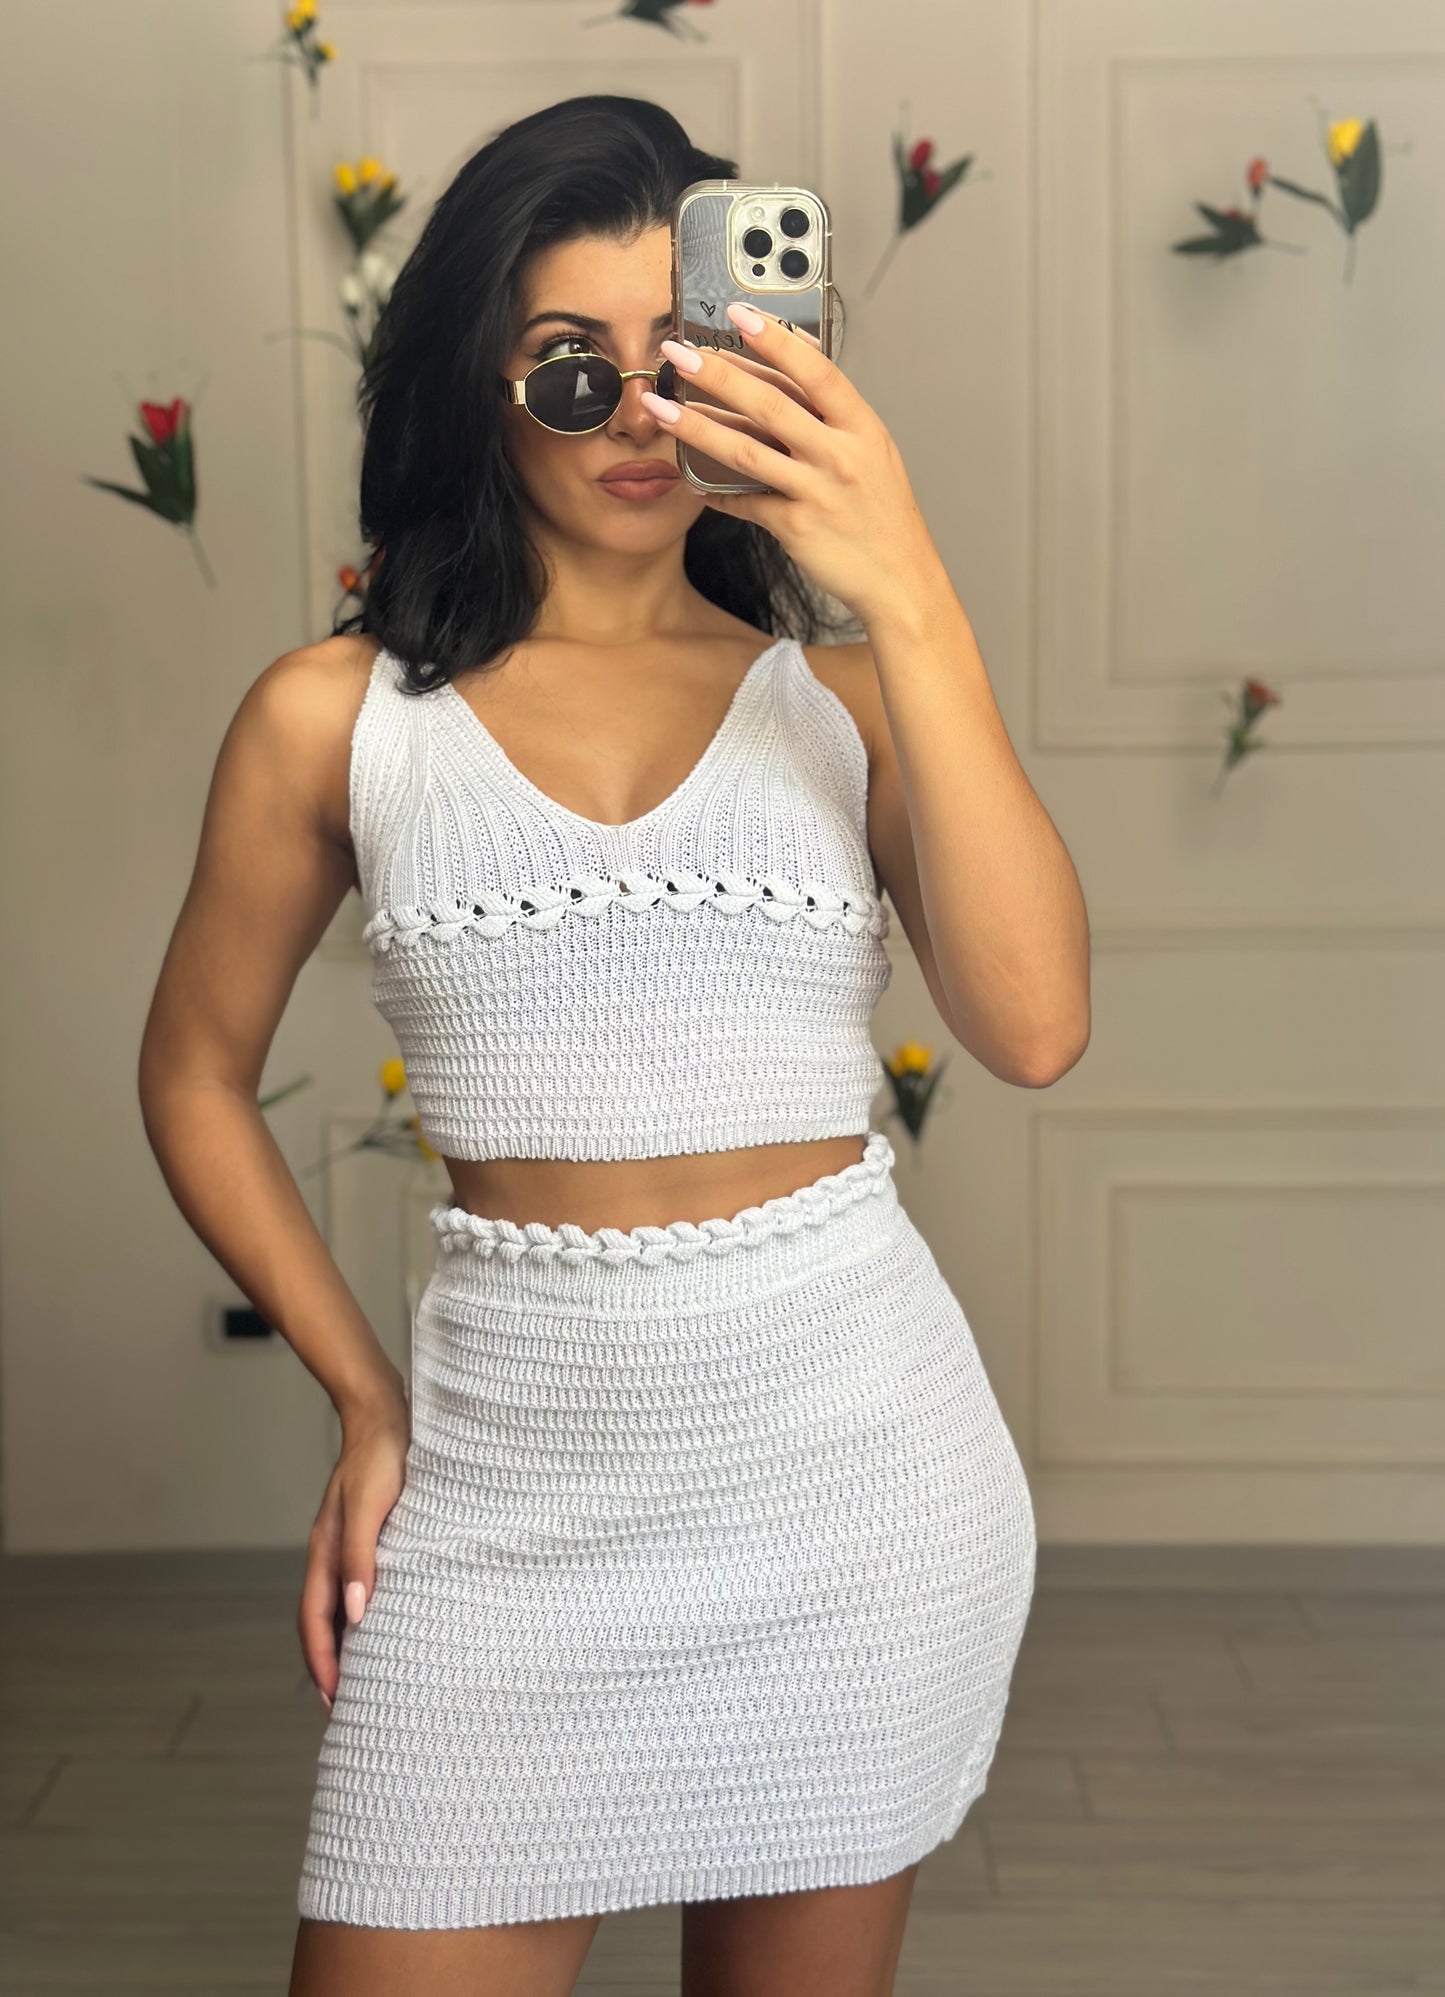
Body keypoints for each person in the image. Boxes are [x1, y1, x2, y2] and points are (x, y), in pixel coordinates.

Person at [138, 92, 1087, 1997]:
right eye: (573, 370)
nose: (641, 420)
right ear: (476, 391)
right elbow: (192, 1074)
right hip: (509, 1509)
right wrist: (366, 1399)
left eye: (689, 359)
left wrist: (902, 581)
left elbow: (1034, 1024)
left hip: (855, 1494)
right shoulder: (336, 719)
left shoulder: (844, 701)